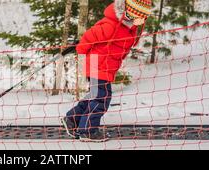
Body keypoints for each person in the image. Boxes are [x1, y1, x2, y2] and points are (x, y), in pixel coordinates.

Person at [61, 0, 152, 142]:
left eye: (142, 18)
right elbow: (88, 38)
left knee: (96, 95)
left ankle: (72, 118)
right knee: (101, 98)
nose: (139, 21)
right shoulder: (110, 25)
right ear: (128, 13)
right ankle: (88, 131)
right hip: (97, 64)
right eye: (137, 17)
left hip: (105, 67)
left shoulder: (128, 27)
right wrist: (81, 55)